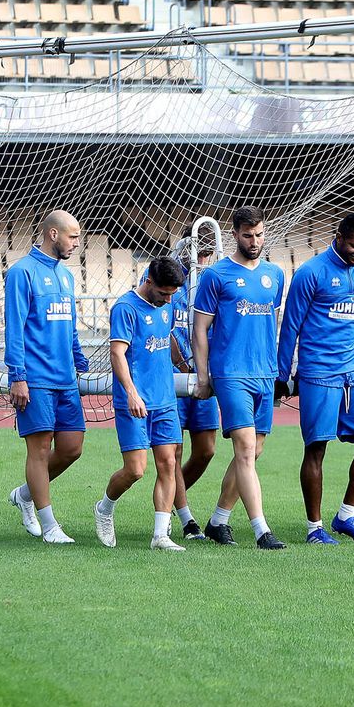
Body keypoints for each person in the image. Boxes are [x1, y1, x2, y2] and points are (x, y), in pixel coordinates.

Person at [275, 212, 354, 545]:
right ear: (338, 237)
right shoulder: (311, 272)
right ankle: (315, 528)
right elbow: (291, 326)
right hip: (318, 371)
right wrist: (282, 374)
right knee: (316, 448)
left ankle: (345, 516)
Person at [190, 206, 287, 550]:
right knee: (245, 449)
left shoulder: (275, 275)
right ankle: (262, 531)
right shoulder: (216, 276)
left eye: (259, 234)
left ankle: (218, 521)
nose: (254, 241)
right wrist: (204, 375)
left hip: (265, 372)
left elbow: (271, 324)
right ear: (234, 234)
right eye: (248, 235)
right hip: (231, 373)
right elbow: (199, 330)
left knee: (254, 450)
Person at [3, 210, 90, 544]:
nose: (77, 243)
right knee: (39, 450)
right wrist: (18, 376)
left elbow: (70, 326)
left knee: (72, 448)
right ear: (53, 234)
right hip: (35, 378)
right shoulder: (21, 272)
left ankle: (25, 494)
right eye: (73, 236)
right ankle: (50, 526)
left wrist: (79, 360)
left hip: (65, 378)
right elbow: (15, 328)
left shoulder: (65, 276)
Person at [96, 257, 189, 551]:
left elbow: (167, 338)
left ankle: (160, 535)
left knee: (169, 463)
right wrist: (132, 393)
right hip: (135, 402)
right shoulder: (126, 308)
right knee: (135, 470)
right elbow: (117, 353)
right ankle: (104, 508)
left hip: (165, 400)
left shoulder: (167, 305)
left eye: (172, 294)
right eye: (163, 293)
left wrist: (184, 365)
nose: (168, 300)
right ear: (148, 281)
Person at [168, 242, 218, 541]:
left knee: (206, 450)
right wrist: (183, 365)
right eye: (197, 251)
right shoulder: (168, 276)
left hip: (203, 376)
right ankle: (187, 519)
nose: (201, 258)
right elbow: (163, 328)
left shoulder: (212, 280)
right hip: (172, 376)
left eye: (206, 253)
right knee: (173, 451)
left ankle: (167, 496)